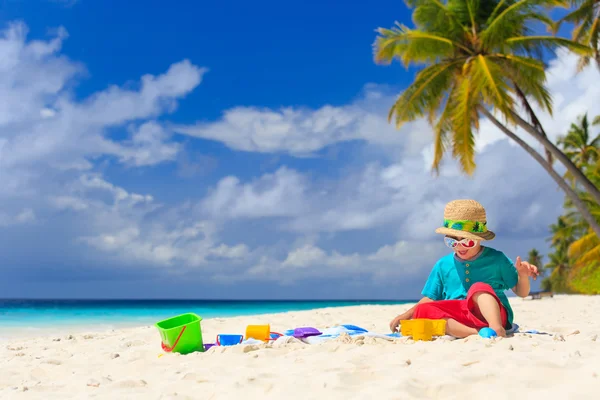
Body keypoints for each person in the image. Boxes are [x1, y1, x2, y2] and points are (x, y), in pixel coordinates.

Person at [390, 199, 539, 338]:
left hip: (492, 314)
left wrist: (522, 276)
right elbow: (431, 297)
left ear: (480, 238)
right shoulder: (443, 265)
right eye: (452, 242)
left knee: (479, 287)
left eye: (467, 242)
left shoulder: (497, 259)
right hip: (459, 318)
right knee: (423, 310)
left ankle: (496, 329)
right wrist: (405, 315)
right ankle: (477, 333)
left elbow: (521, 292)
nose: (459, 247)